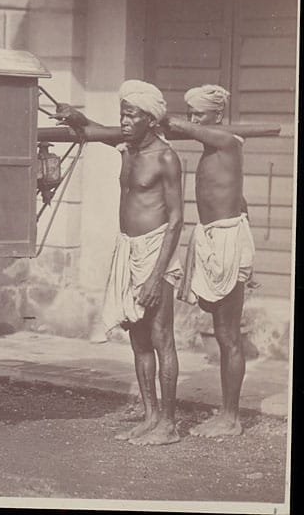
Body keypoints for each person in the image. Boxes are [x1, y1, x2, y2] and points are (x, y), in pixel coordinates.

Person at [56, 80, 183, 446]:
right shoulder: (127, 146)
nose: (124, 121)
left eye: (132, 115)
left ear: (151, 119)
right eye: (122, 114)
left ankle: (169, 426)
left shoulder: (166, 157)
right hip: (127, 249)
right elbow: (91, 130)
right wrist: (75, 115)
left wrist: (156, 277)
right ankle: (150, 417)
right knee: (138, 339)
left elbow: (176, 220)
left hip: (155, 251)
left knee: (161, 339)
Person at [167, 85, 253, 437]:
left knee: (228, 334)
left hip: (227, 238)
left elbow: (188, 131)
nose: (191, 120)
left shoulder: (227, 141)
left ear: (216, 116)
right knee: (219, 329)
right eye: (189, 113)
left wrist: (165, 120)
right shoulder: (211, 148)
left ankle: (231, 418)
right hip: (211, 237)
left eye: (197, 113)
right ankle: (227, 413)